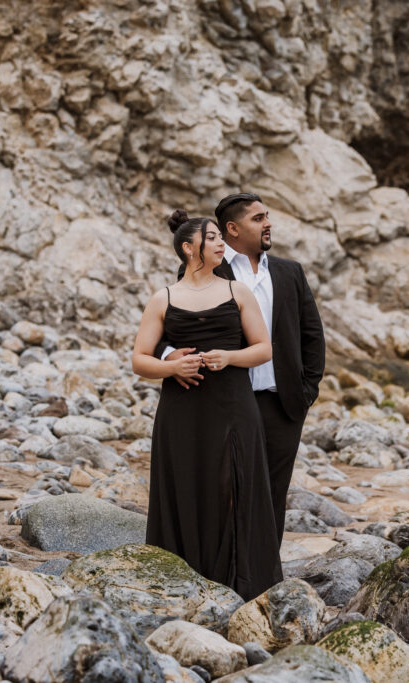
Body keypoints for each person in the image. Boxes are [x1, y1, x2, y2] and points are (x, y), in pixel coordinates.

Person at [157, 193, 326, 547]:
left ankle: (263, 579)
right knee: (222, 490)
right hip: (223, 402)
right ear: (232, 228)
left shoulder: (289, 272)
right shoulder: (208, 267)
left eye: (267, 217)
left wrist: (306, 391)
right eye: (258, 218)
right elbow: (171, 329)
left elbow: (312, 336)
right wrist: (172, 357)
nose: (268, 224)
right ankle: (221, 574)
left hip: (282, 405)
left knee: (271, 496)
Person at [132, 210, 282, 600]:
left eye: (220, 237)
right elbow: (139, 359)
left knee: (233, 486)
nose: (221, 244)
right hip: (181, 413)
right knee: (185, 483)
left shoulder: (237, 292)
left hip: (233, 407)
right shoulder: (163, 298)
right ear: (188, 247)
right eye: (212, 237)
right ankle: (181, 581)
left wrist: (230, 358)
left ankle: (240, 583)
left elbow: (264, 349)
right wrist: (171, 365)